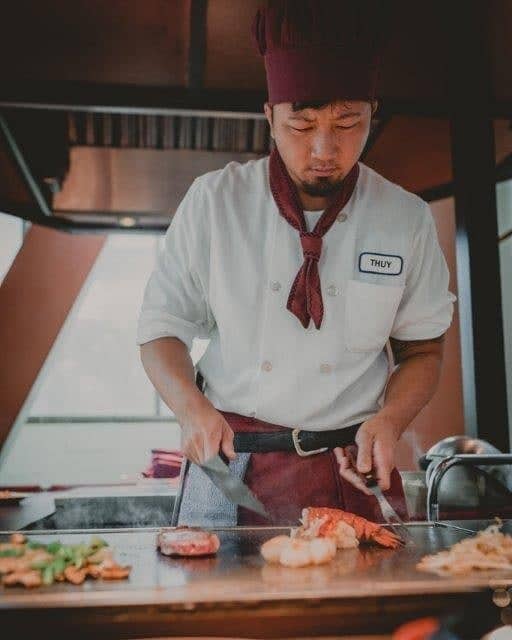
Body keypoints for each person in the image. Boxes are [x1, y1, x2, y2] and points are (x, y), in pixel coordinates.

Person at [137, 0, 455, 526]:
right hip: (232, 464)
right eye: (302, 126)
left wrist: (392, 420)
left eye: (348, 122)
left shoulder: (405, 218)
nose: (325, 149)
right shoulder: (215, 202)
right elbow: (160, 330)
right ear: (270, 117)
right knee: (220, 605)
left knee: (367, 607)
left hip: (350, 464)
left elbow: (422, 350)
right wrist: (190, 407)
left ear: (373, 112)